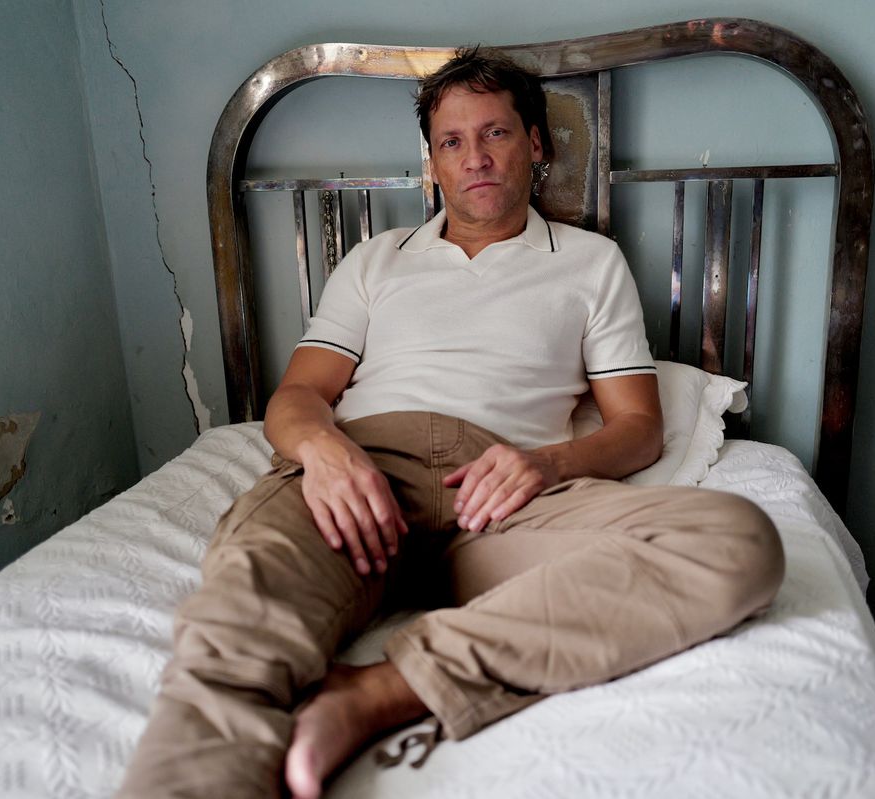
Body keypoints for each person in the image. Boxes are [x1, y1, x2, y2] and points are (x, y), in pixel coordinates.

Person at [118, 47, 784, 799]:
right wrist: (324, 451)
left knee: (736, 541)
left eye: (496, 133)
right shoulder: (376, 260)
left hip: (503, 494)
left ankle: (382, 690)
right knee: (241, 622)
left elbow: (638, 429)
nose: (476, 158)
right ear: (433, 162)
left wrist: (548, 463)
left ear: (536, 143)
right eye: (452, 142)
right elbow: (298, 394)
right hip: (363, 472)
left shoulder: (592, 263)